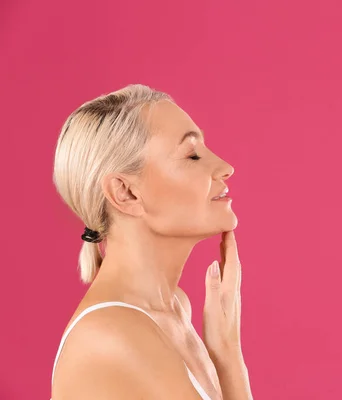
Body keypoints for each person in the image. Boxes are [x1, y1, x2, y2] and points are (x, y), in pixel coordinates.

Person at [50, 84, 253, 400]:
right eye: (192, 154)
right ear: (126, 193)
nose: (225, 168)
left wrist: (225, 351)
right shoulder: (112, 334)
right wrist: (229, 357)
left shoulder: (173, 308)